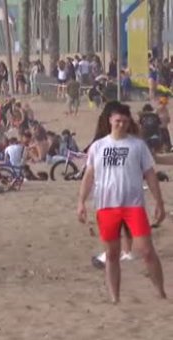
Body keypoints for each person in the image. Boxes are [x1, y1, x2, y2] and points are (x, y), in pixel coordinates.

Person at [77, 103, 167, 303]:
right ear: (110, 120)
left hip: (133, 205)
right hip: (106, 206)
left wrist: (159, 202)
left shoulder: (137, 145)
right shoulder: (98, 147)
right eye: (117, 121)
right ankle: (114, 298)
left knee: (146, 250)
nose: (121, 125)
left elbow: (150, 175)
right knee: (112, 253)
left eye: (125, 122)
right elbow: (89, 176)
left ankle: (161, 292)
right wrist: (81, 202)